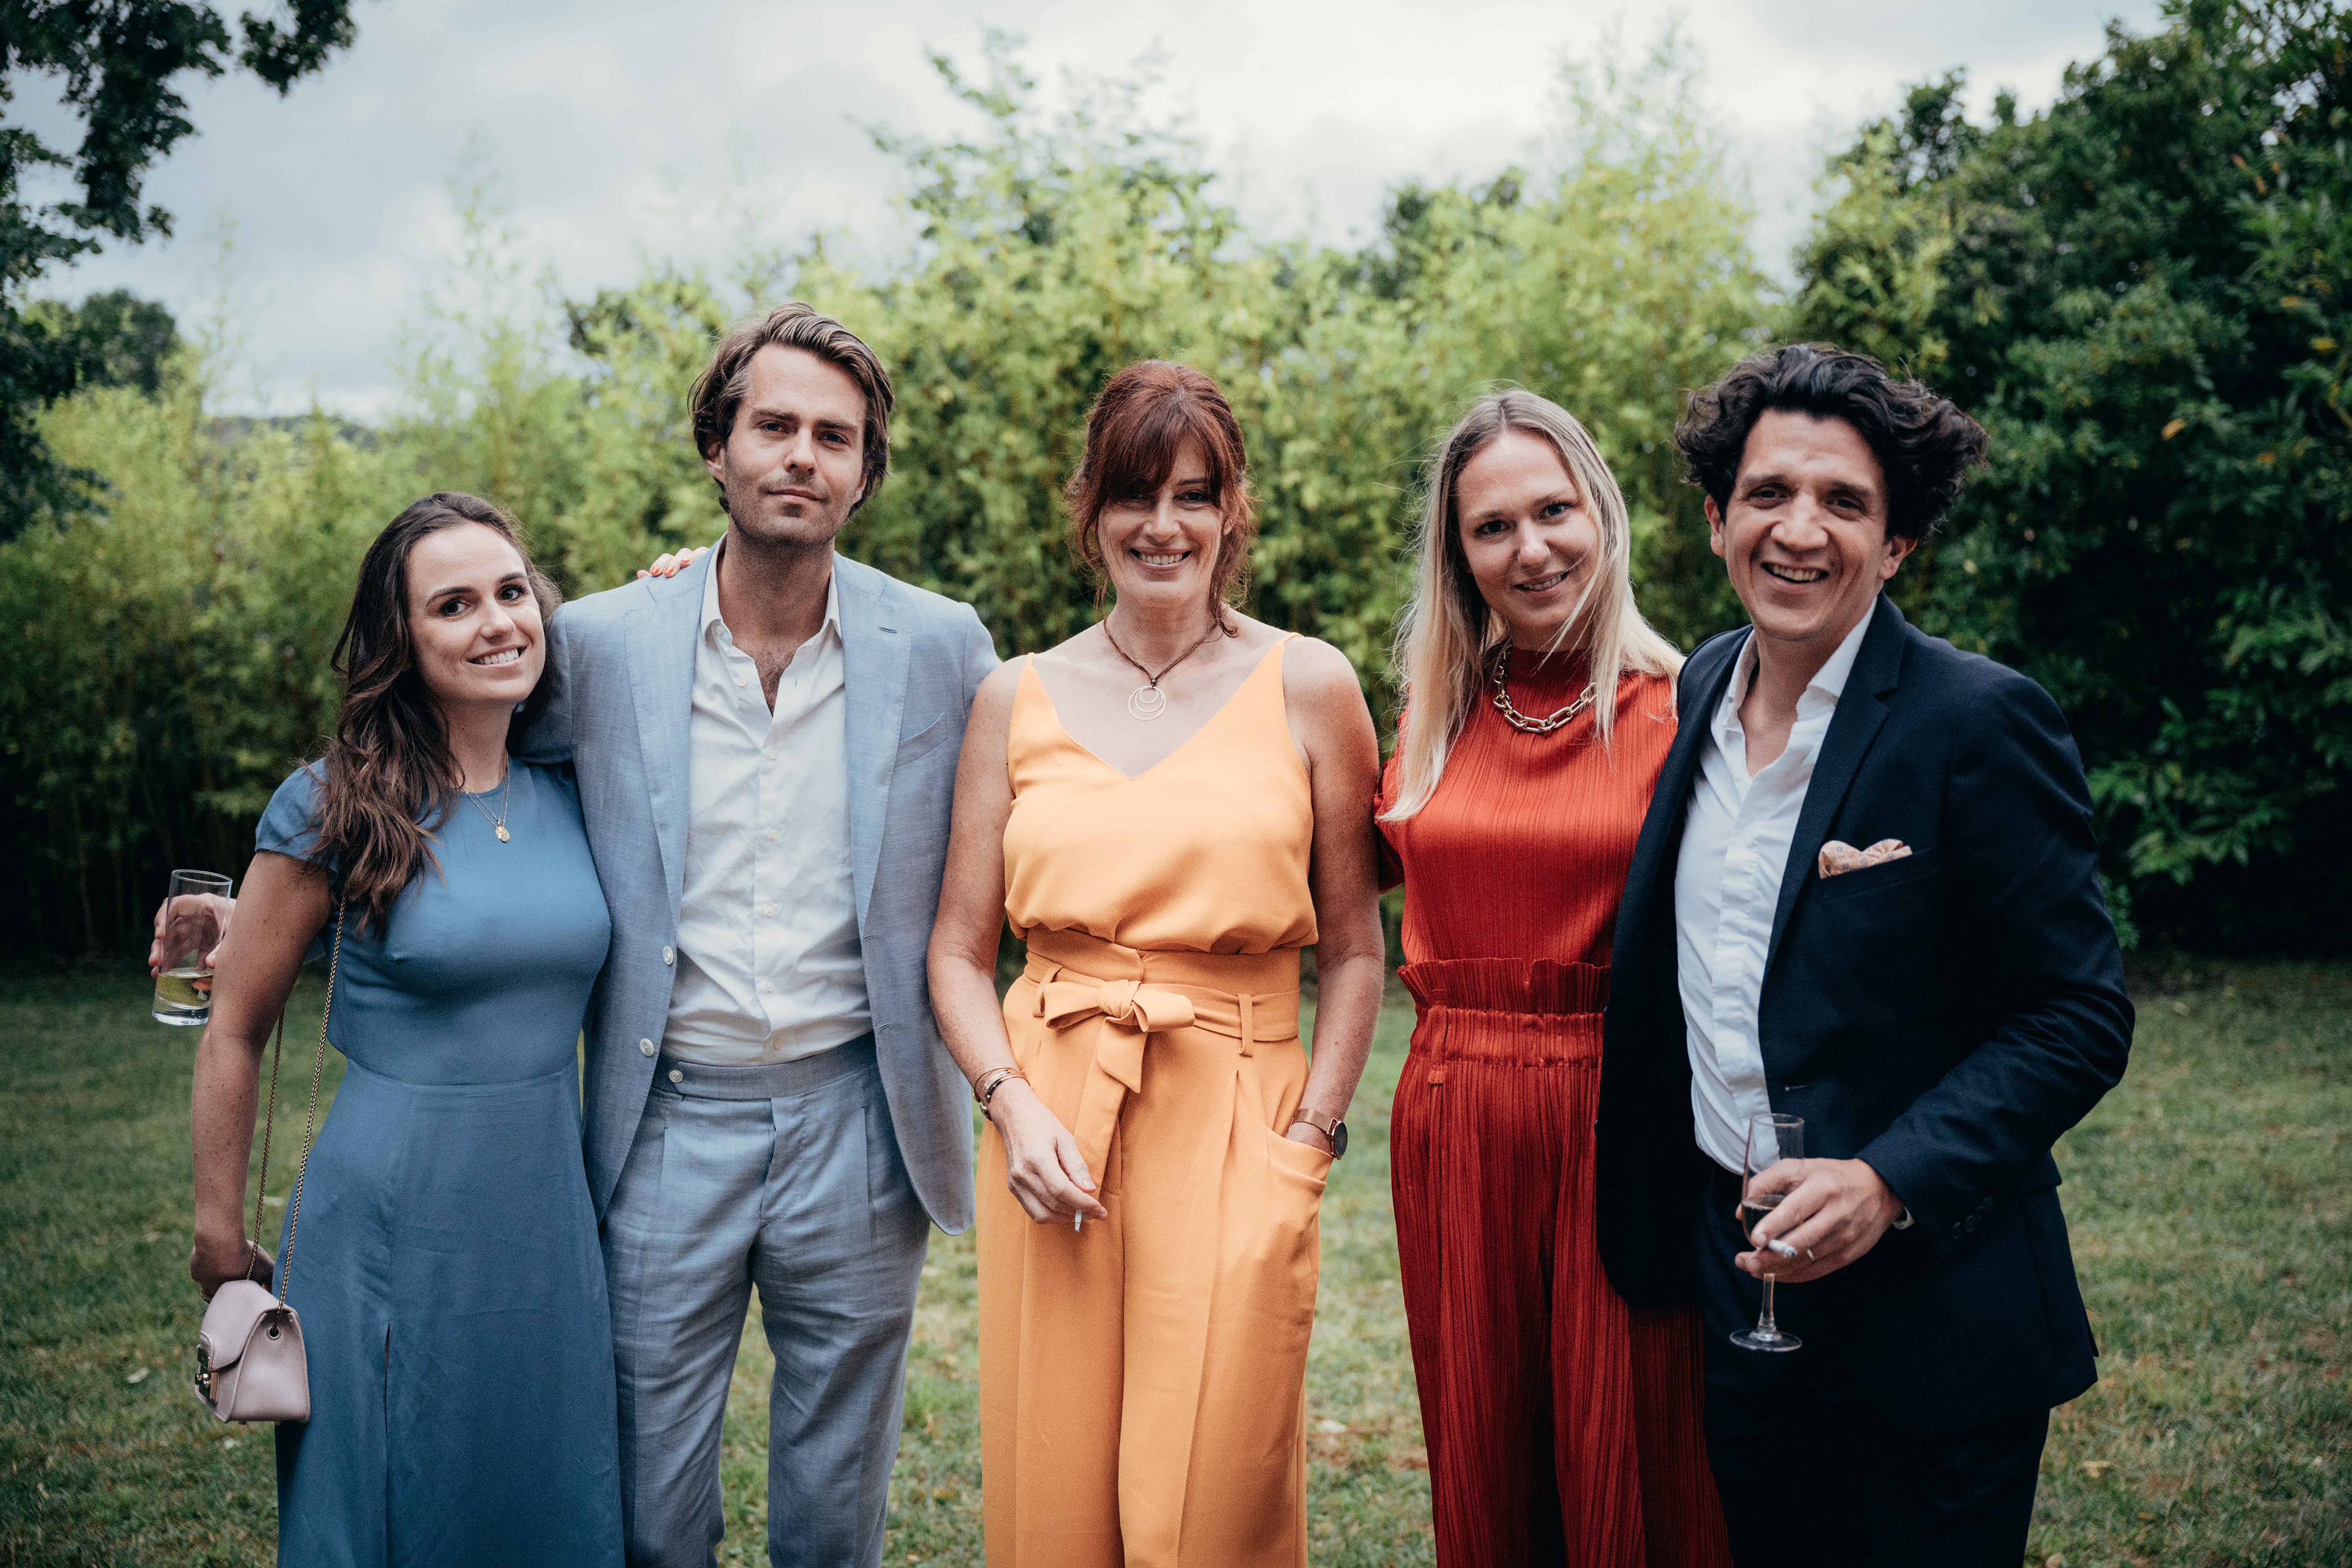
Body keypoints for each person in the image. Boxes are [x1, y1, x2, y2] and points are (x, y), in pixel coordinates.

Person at [1594, 344, 2134, 1567]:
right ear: (1718, 518)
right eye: (1770, 493)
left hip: (1935, 1317)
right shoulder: (1701, 686)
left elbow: (2077, 1013)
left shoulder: (1977, 719)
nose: (1801, 530)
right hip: (1745, 1292)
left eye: (1844, 502)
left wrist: (1887, 1179)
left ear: (1896, 545)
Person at [526, 303, 997, 1568]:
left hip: (862, 1118)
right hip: (663, 1118)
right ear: (717, 448)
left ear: (865, 470)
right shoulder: (600, 645)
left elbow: (1043, 808)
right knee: (648, 1505)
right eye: (774, 426)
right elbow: (462, 783)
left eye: (834, 437)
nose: (802, 455)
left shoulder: (943, 645)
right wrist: (286, 891)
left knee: (837, 1511)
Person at [925, 360, 1387, 1566]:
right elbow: (960, 951)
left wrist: (1312, 1135)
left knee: (1214, 1492)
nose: (1163, 525)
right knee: (1056, 1483)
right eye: (1135, 493)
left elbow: (1354, 951)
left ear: (1234, 510)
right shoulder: (1014, 696)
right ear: (1090, 506)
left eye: (1195, 494)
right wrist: (1009, 1101)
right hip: (1051, 1117)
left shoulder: (1310, 684)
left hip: (1241, 1111)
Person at [179, 492, 624, 1565]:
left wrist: (679, 577)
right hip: (388, 1216)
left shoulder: (581, 788)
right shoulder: (330, 805)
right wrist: (218, 1232)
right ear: (402, 641)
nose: (497, 623)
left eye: (512, 592)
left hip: (546, 1218)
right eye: (454, 605)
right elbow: (234, 1025)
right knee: (388, 1496)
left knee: (541, 1493)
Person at [1376, 390, 1730, 1566]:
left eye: (1553, 512)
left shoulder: (1688, 709)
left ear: (1602, 515)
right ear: (1459, 556)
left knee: (1631, 1442)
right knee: (1487, 1447)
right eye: (1493, 527)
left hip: (1620, 1109)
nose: (1530, 550)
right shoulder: (1431, 719)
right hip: (1452, 1117)